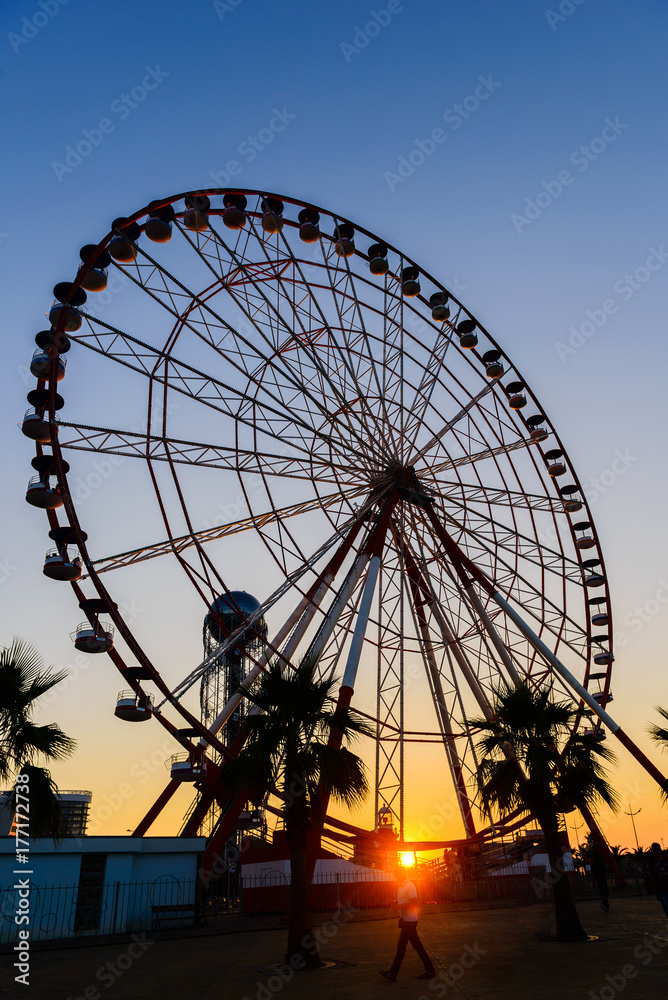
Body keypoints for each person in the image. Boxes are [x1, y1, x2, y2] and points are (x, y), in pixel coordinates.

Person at [380, 868, 435, 982]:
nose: (395, 876)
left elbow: (415, 903)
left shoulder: (409, 886)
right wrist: (394, 902)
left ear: (402, 874)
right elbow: (404, 902)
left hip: (410, 921)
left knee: (408, 947)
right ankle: (393, 974)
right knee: (406, 947)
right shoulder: (401, 886)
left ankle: (393, 974)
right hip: (406, 921)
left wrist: (400, 907)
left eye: (397, 874)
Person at [648, 843, 668, 918]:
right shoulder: (652, 862)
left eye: (657, 849)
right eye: (654, 850)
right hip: (661, 889)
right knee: (666, 908)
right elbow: (653, 877)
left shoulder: (666, 859)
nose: (656, 852)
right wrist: (656, 891)